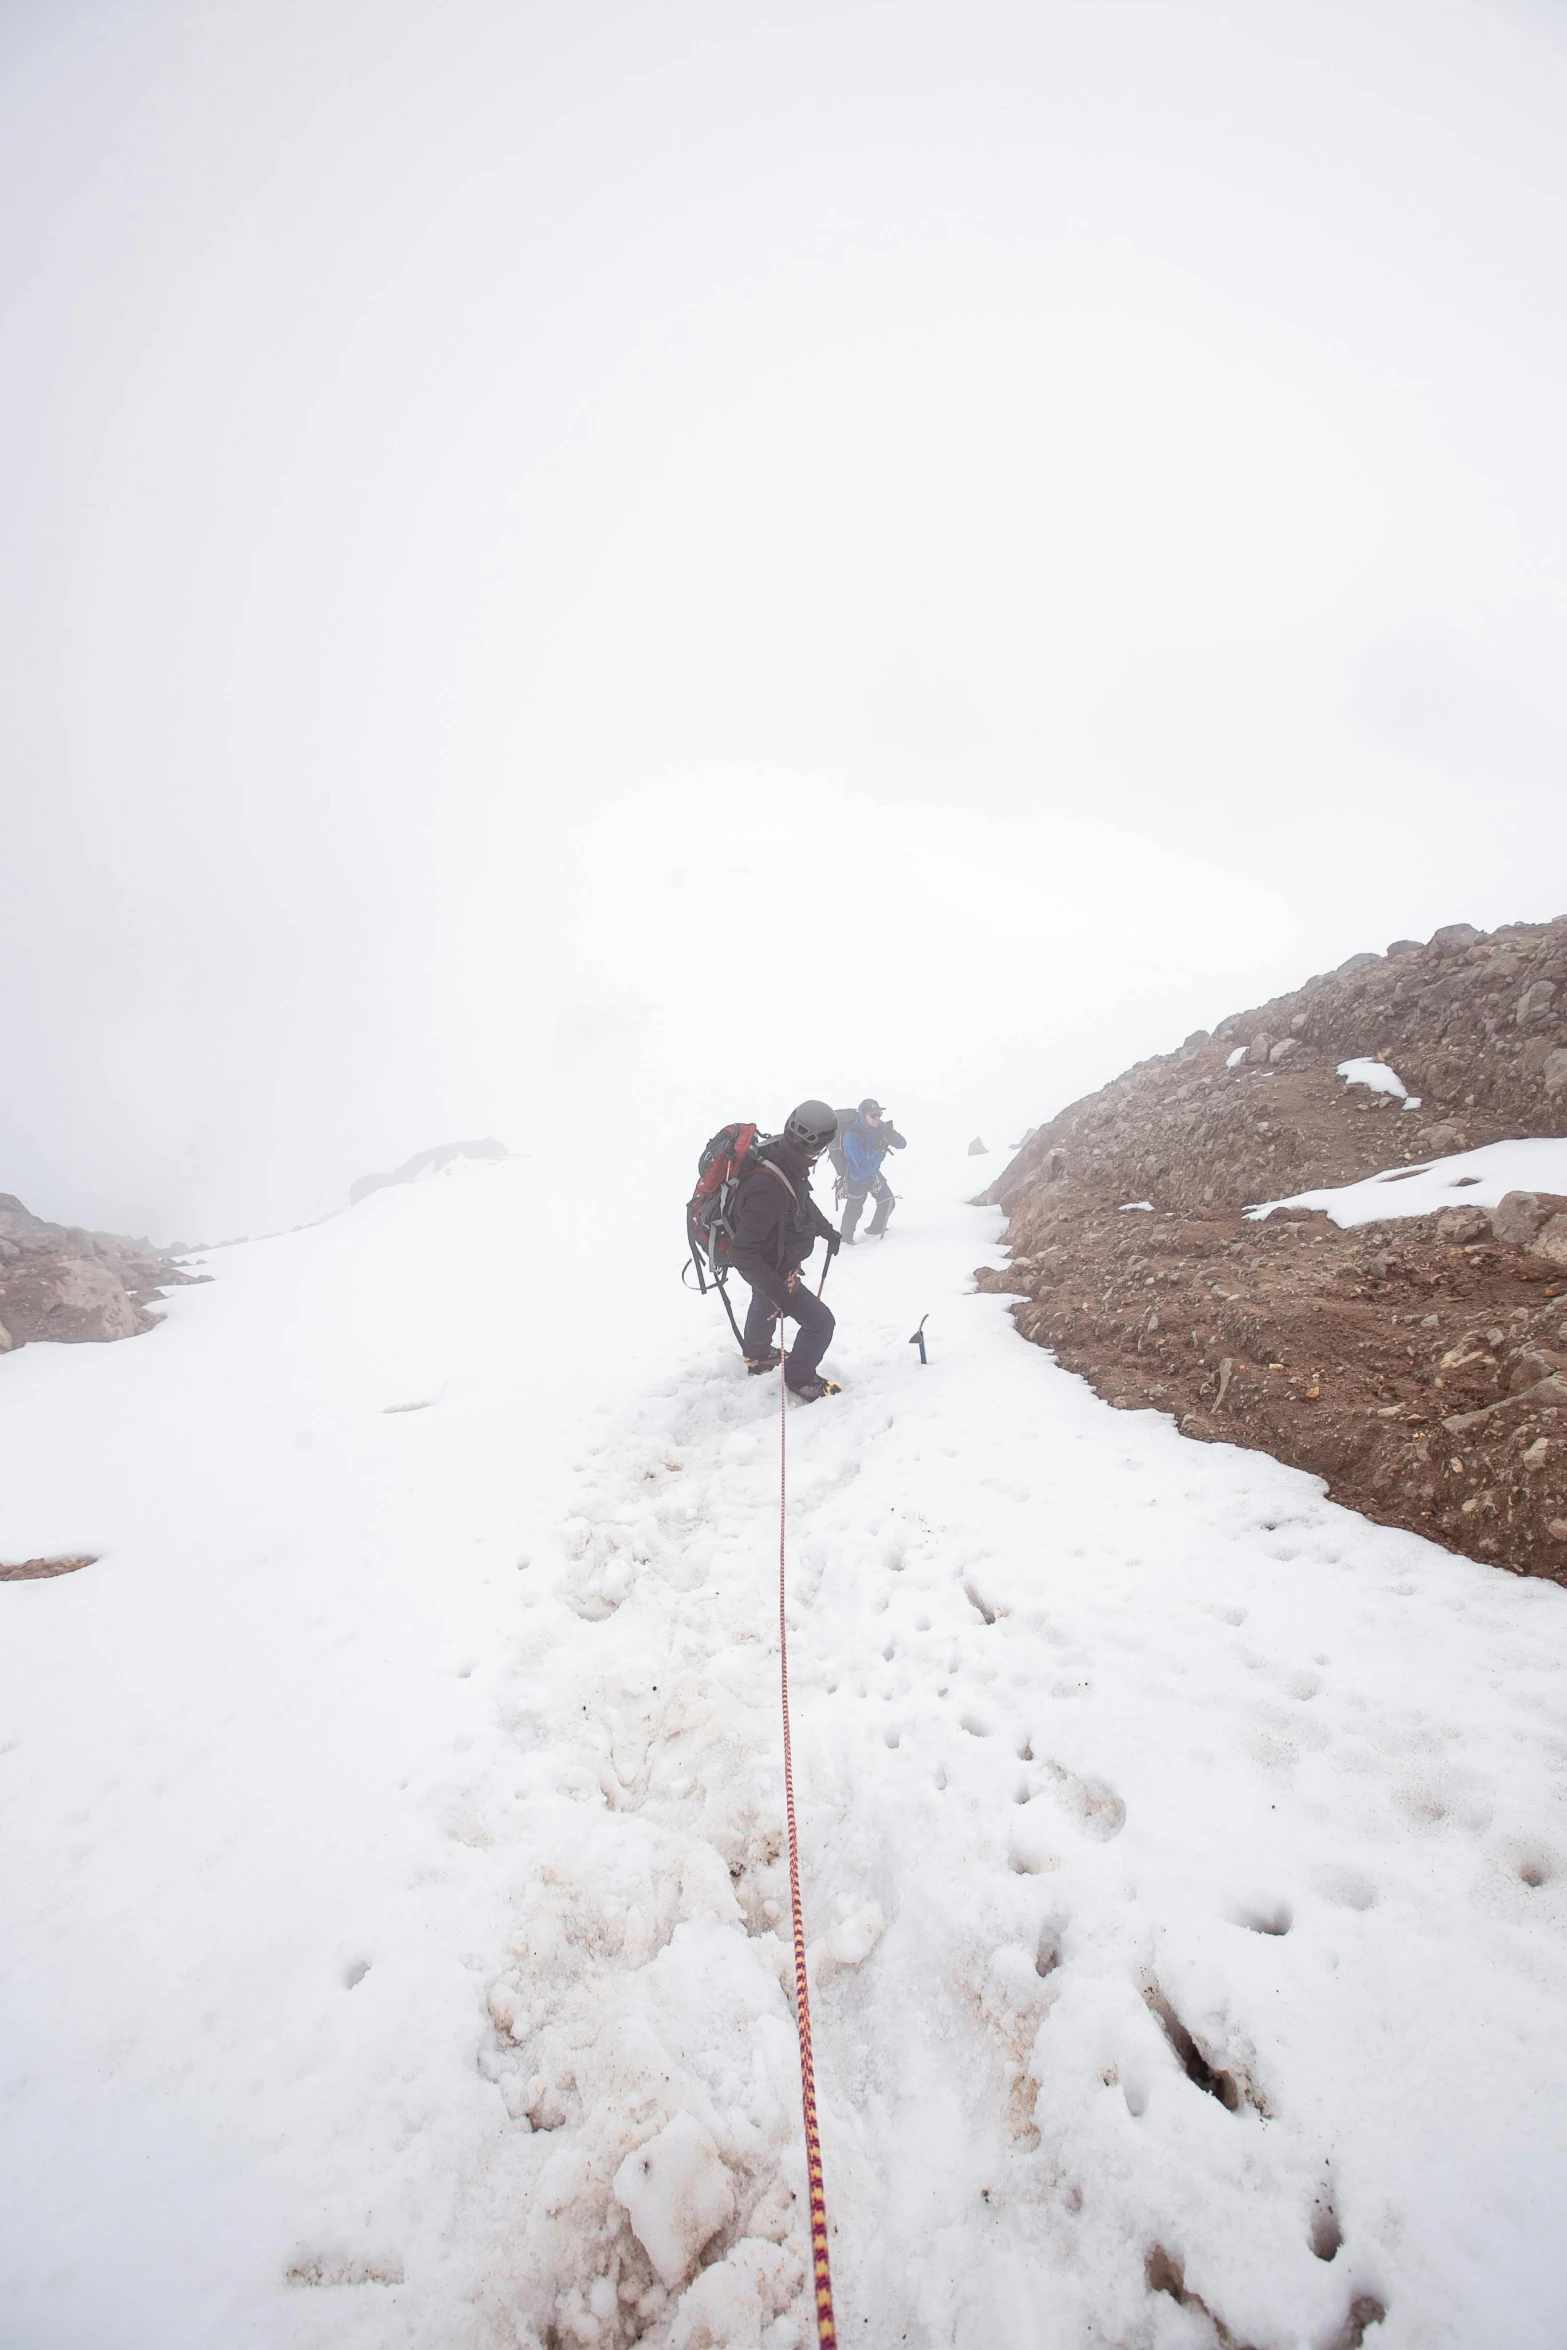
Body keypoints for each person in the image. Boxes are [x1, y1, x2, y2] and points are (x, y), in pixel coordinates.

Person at [729, 1100, 842, 1400]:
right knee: (820, 1324)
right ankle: (800, 1377)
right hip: (771, 1269)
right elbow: (743, 1253)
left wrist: (824, 1228)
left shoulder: (781, 1155)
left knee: (761, 1300)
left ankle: (757, 1354)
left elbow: (799, 1198)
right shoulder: (769, 1186)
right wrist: (779, 1292)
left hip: (770, 1263)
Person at [839, 1098, 907, 1243]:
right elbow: (863, 1168)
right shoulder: (852, 1137)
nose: (877, 1118)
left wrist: (894, 1138)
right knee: (854, 1211)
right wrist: (881, 1150)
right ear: (863, 1116)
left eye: (879, 1114)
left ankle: (875, 1230)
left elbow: (903, 1145)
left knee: (887, 1201)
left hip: (874, 1173)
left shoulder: (879, 1127)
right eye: (873, 1115)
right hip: (857, 1178)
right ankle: (845, 1241)